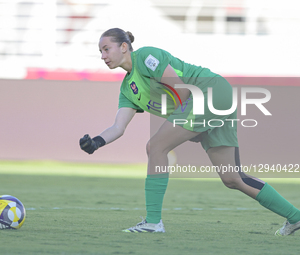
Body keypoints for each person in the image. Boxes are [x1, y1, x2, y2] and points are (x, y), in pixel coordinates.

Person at [79, 28, 300, 235]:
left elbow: (182, 89)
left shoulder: (145, 57)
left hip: (209, 91)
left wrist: (187, 127)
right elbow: (118, 127)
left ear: (124, 47)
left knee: (155, 146)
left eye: (106, 49)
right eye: (101, 51)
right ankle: (295, 217)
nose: (103, 56)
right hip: (210, 100)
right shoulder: (127, 89)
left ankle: (153, 222)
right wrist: (97, 142)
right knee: (233, 178)